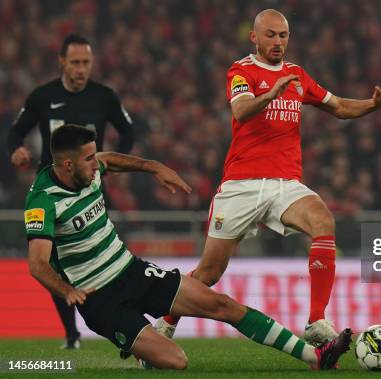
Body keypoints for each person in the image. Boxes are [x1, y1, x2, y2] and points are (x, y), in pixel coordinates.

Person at [158, 8, 381, 346]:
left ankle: (317, 321)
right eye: (270, 35)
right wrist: (270, 93)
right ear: (253, 37)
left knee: (322, 220)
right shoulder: (241, 71)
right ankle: (166, 322)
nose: (277, 42)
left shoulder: (297, 75)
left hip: (284, 183)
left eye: (283, 35)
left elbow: (339, 107)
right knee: (208, 274)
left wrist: (373, 104)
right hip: (241, 184)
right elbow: (240, 111)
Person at [25, 124, 352, 370]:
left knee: (222, 304)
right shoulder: (43, 200)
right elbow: (38, 263)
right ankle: (145, 352)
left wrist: (154, 167)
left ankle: (315, 356)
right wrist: (65, 290)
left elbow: (110, 159)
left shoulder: (89, 169)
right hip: (99, 299)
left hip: (131, 270)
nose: (96, 165)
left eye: (94, 156)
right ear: (66, 166)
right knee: (176, 361)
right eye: (88, 160)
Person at [7, 33, 134, 349]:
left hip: (90, 188)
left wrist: (114, 166)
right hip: (52, 193)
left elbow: (128, 130)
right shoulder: (42, 96)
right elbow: (15, 131)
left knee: (102, 253)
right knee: (52, 264)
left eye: (86, 63)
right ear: (62, 62)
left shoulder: (104, 96)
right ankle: (71, 333)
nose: (81, 69)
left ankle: (123, 324)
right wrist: (17, 150)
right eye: (75, 62)